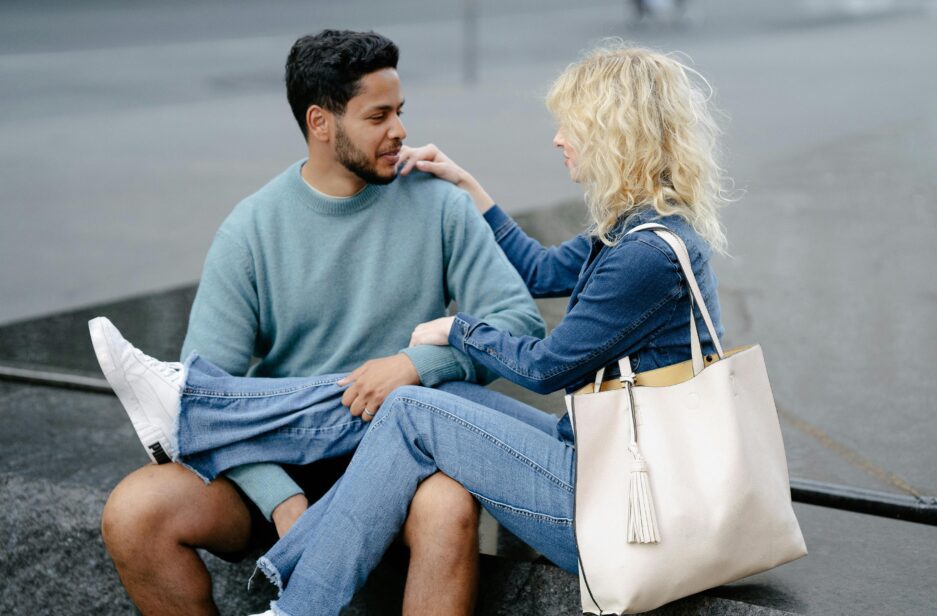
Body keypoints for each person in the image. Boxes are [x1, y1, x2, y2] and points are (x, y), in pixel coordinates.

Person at [93, 42, 730, 616]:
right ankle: (202, 423)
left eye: (575, 127)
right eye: (379, 115)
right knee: (418, 406)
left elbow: (544, 363)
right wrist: (470, 185)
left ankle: (198, 421)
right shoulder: (633, 233)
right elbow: (538, 267)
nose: (560, 140)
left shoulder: (642, 252)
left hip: (625, 498)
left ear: (614, 136)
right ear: (320, 122)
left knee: (410, 407)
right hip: (294, 462)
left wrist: (437, 344)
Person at [97, 29, 546, 616]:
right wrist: (281, 498)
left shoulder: (439, 206)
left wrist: (416, 364)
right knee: (134, 511)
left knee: (447, 504)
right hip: (278, 463)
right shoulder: (252, 229)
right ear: (321, 123)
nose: (401, 131)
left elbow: (520, 324)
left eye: (400, 112)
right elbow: (209, 406)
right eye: (378, 116)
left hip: (402, 454)